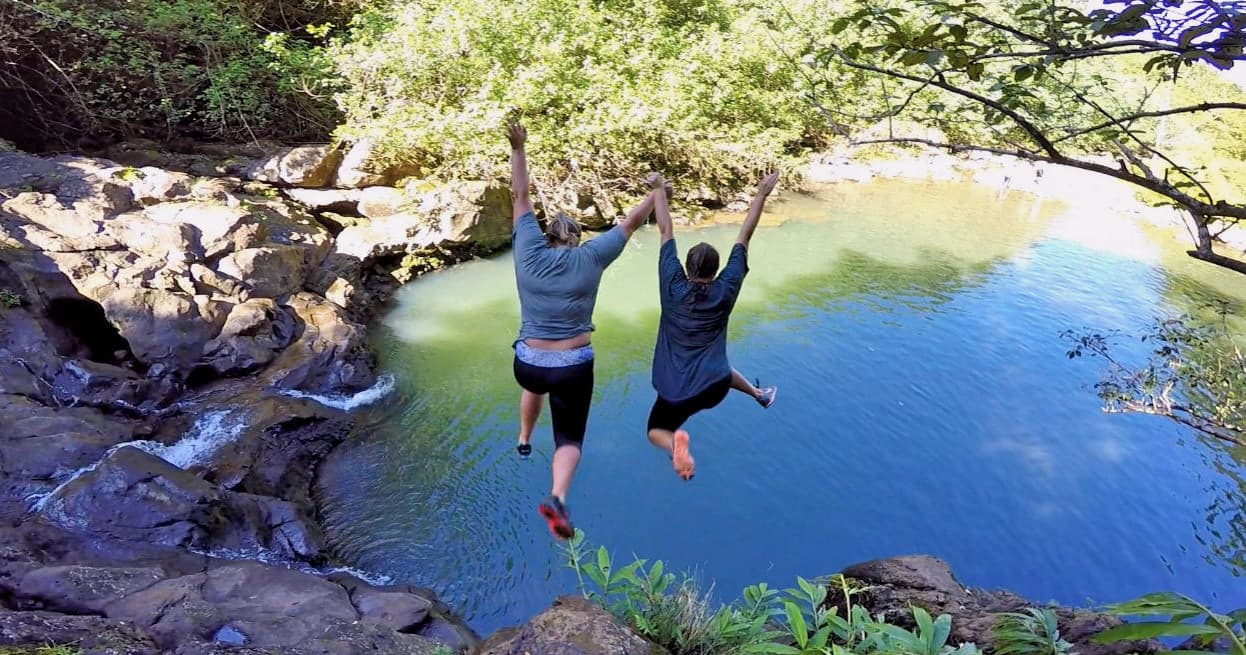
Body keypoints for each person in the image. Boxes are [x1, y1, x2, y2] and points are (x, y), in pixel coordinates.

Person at [507, 122, 665, 539]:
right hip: (572, 366)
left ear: (546, 235)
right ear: (576, 237)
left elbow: (520, 195)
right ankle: (557, 496)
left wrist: (519, 146)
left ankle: (523, 438)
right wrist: (656, 190)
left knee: (534, 380)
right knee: (569, 440)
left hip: (528, 362)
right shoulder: (592, 257)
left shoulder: (527, 250)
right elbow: (631, 223)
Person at [645, 170, 780, 481]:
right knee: (718, 366)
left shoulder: (673, 287)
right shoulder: (726, 288)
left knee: (655, 431)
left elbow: (665, 231)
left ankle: (674, 447)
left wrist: (658, 191)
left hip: (675, 390)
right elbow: (743, 237)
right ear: (717, 269)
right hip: (714, 385)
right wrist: (760, 195)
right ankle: (759, 394)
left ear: (687, 267)